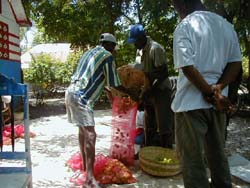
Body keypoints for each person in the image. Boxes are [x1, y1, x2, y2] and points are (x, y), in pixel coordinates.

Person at [171, 0, 242, 187]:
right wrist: (219, 88)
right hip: (218, 104)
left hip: (190, 104)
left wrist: (210, 92)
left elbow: (187, 67)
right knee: (218, 156)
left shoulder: (184, 26)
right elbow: (235, 63)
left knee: (192, 162)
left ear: (182, 6)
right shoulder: (226, 27)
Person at [65, 33, 133, 188]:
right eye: (114, 48)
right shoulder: (107, 56)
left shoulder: (89, 53)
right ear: (111, 46)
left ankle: (84, 168)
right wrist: (130, 92)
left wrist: (110, 96)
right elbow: (114, 83)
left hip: (71, 92)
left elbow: (100, 80)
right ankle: (89, 179)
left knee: (83, 131)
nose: (114, 51)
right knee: (90, 134)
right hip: (82, 97)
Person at [127, 24, 174, 148]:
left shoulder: (155, 48)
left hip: (160, 90)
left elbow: (163, 73)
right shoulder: (139, 51)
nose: (135, 45)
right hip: (148, 91)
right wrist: (139, 94)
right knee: (149, 124)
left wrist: (150, 90)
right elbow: (138, 73)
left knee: (164, 124)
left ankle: (166, 151)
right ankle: (148, 150)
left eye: (136, 41)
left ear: (142, 37)